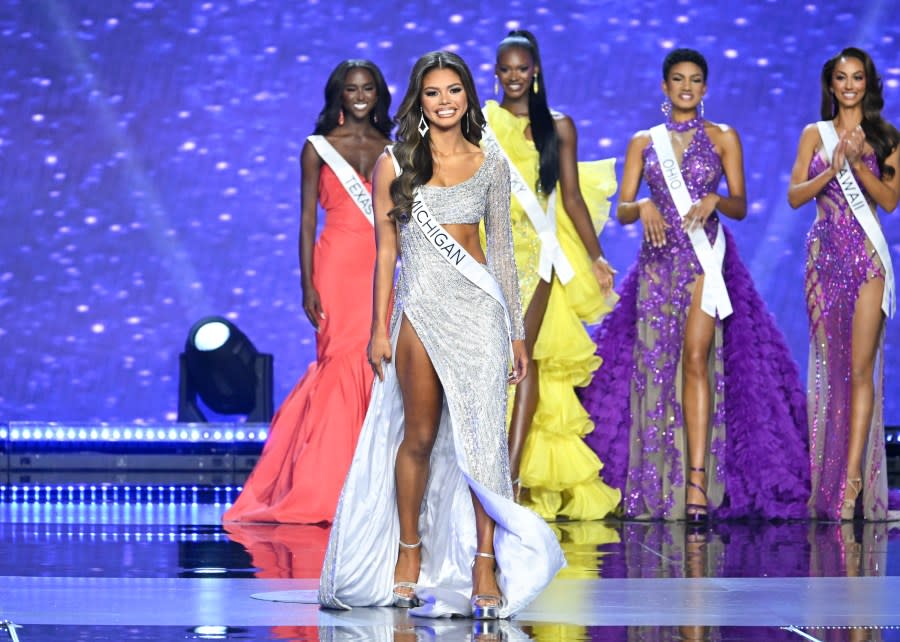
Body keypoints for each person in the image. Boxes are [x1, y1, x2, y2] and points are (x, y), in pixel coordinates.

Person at [318, 51, 564, 619]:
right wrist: (379, 328)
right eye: (434, 92)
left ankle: (484, 562)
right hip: (420, 310)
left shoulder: (490, 162)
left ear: (468, 97)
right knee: (420, 438)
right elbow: (387, 253)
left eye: (455, 90)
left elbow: (500, 252)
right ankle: (410, 551)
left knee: (483, 446)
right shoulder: (394, 162)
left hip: (479, 312)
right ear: (419, 99)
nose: (446, 100)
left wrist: (516, 335)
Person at [580, 48, 809, 521]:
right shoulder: (644, 142)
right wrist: (640, 207)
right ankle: (656, 482)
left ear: (705, 88)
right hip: (657, 269)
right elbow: (622, 209)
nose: (687, 87)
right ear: (665, 87)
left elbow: (741, 204)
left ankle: (698, 483)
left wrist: (715, 199)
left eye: (696, 80)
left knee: (697, 360)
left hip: (705, 262)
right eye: (678, 79)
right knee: (655, 369)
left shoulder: (724, 137)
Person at [223, 59, 392, 524]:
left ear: (378, 94)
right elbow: (305, 221)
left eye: (368, 88)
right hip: (335, 265)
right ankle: (327, 485)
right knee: (340, 361)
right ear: (339, 94)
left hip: (380, 266)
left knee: (377, 365)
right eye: (352, 88)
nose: (360, 95)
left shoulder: (393, 148)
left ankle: (372, 488)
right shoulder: (317, 148)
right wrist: (306, 283)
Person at [482, 30, 620, 520]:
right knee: (491, 362)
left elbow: (573, 197)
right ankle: (485, 467)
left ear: (535, 71)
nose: (515, 76)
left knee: (527, 357)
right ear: (496, 73)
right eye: (507, 68)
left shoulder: (558, 126)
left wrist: (597, 256)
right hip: (489, 252)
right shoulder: (481, 123)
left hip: (538, 257)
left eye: (523, 68)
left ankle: (511, 477)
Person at [787, 47, 899, 521]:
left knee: (859, 370)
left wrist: (854, 166)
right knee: (831, 373)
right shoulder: (815, 135)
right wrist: (831, 169)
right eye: (841, 77)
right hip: (823, 259)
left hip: (867, 259)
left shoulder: (887, 138)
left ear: (867, 83)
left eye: (857, 77)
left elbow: (890, 202)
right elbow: (795, 196)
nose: (849, 84)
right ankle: (826, 481)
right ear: (830, 84)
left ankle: (852, 486)